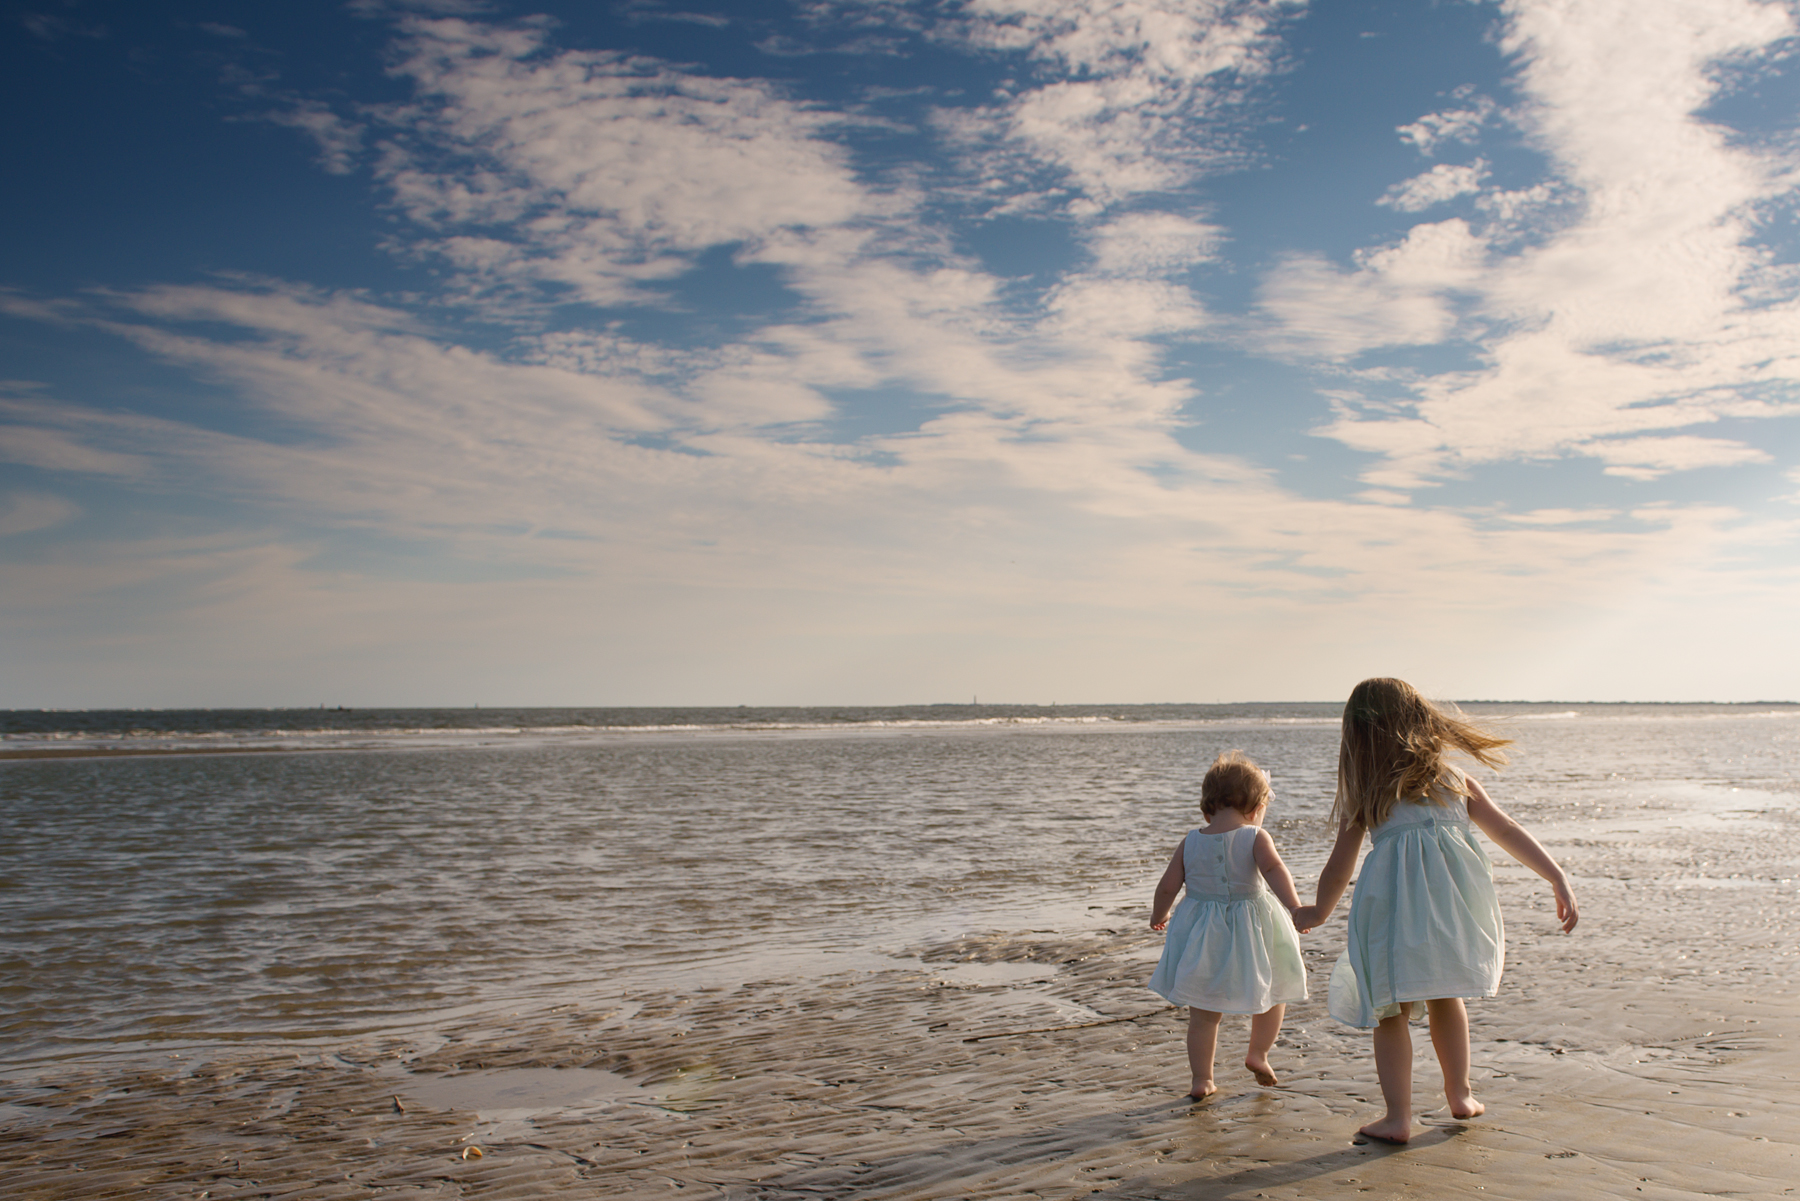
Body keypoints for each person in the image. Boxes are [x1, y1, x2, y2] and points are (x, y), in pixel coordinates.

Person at [1292, 678, 1579, 1144]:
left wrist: (1318, 910)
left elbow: (1340, 866)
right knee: (1447, 997)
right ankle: (1460, 1094)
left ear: (1358, 738)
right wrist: (1555, 875)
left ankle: (1398, 1117)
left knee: (1391, 1013)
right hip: (1451, 914)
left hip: (1392, 915)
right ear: (1419, 723)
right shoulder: (1454, 780)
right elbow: (1506, 830)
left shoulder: (1367, 792)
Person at [1148, 750, 1309, 1099]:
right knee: (1274, 989)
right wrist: (1295, 907)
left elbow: (1167, 886)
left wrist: (1159, 915)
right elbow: (1275, 871)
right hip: (1254, 927)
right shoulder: (1255, 837)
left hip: (1204, 933)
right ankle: (1258, 1053)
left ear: (1207, 808)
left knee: (1204, 1010)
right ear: (1255, 809)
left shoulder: (1190, 841)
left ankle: (1201, 1079)